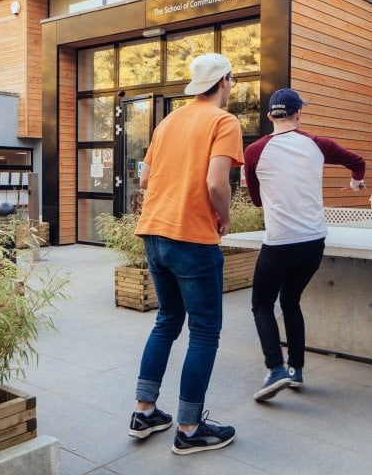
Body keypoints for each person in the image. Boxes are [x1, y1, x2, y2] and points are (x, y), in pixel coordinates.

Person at [128, 53, 243, 454]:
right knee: (205, 332)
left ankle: (144, 412)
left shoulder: (168, 121)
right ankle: (190, 430)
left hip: (154, 235)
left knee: (167, 321)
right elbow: (216, 183)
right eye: (233, 80)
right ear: (226, 80)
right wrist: (223, 218)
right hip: (192, 238)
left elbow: (144, 178)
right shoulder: (224, 121)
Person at [244, 88, 366, 401]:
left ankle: (276, 369)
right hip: (313, 242)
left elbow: (256, 200)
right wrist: (355, 182)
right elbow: (357, 161)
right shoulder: (317, 144)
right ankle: (296, 369)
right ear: (298, 114)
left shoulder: (254, 151)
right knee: (291, 300)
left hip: (279, 243)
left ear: (271, 115)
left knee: (261, 304)